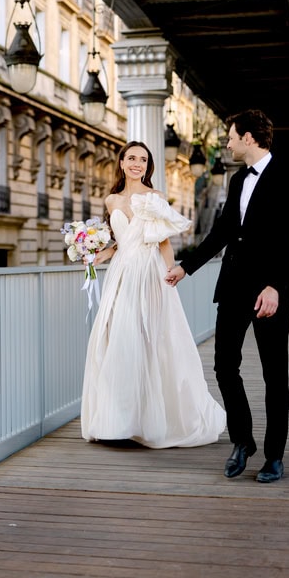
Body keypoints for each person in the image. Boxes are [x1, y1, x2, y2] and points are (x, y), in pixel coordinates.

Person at [165, 109, 289, 483]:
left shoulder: (287, 175)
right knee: (224, 365)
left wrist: (275, 286)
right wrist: (186, 266)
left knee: (275, 375)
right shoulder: (238, 179)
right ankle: (243, 441)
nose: (226, 143)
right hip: (234, 287)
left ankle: (274, 457)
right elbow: (223, 230)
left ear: (248, 137)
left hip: (270, 291)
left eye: (230, 137)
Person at [80, 140, 226, 448]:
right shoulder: (111, 201)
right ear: (121, 163)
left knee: (150, 340)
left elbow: (162, 242)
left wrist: (171, 272)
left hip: (149, 274)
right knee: (118, 339)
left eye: (143, 160)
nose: (137, 163)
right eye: (131, 158)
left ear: (148, 167)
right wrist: (98, 256)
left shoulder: (155, 198)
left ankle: (148, 421)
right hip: (121, 275)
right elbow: (122, 240)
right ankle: (116, 423)